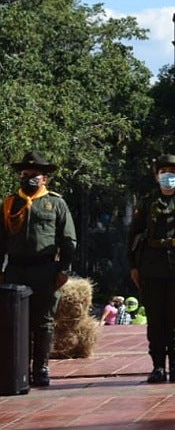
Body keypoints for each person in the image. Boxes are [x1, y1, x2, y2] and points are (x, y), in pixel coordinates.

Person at [0, 152, 76, 388]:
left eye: (34, 175)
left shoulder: (56, 203)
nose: (29, 178)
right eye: (25, 174)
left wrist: (64, 269)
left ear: (45, 179)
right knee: (14, 321)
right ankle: (17, 367)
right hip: (15, 269)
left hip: (45, 270)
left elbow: (69, 240)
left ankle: (40, 368)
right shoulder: (10, 202)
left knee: (43, 321)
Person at [127, 153, 175, 383]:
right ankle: (158, 367)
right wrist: (133, 266)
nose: (169, 176)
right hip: (151, 266)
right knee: (155, 319)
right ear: (157, 176)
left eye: (174, 173)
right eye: (165, 172)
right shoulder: (147, 201)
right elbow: (134, 233)